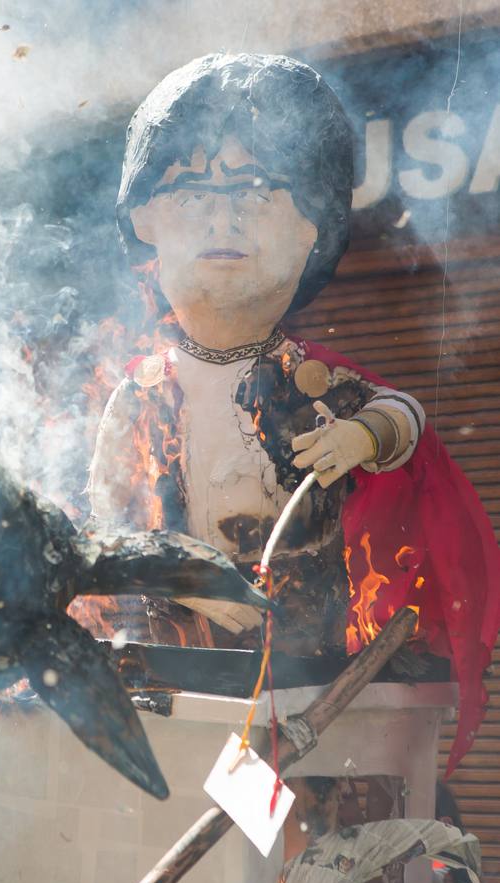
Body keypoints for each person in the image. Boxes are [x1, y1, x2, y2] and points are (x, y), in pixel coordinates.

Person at [88, 53, 500, 775]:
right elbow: (107, 537)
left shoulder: (317, 384)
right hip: (173, 687)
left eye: (260, 190)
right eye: (191, 192)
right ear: (147, 220)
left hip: (307, 689)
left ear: (315, 226)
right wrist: (182, 589)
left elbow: (403, 418)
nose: (225, 217)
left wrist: (361, 435)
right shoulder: (141, 396)